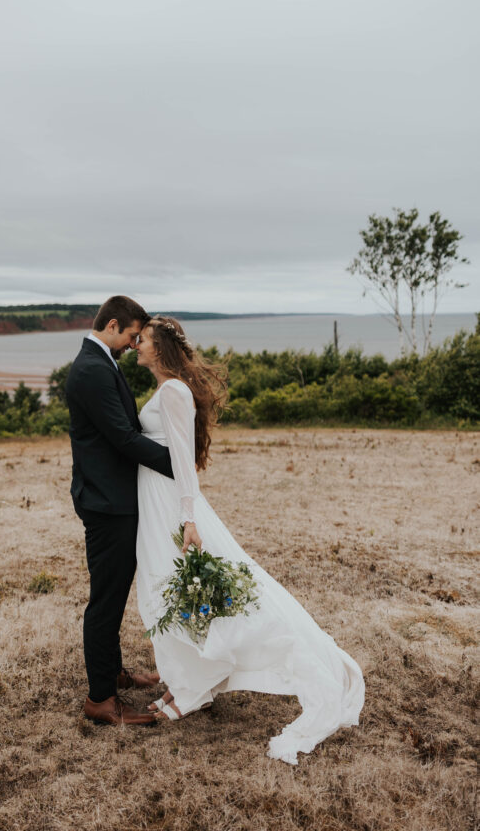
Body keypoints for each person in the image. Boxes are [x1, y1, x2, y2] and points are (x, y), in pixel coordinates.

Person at [134, 316, 365, 765]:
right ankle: (184, 682)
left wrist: (188, 517)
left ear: (159, 346)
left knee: (185, 591)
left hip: (169, 504)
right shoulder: (166, 389)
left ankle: (195, 686)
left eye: (141, 340)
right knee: (168, 591)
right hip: (154, 502)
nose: (135, 346)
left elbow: (183, 460)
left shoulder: (174, 392)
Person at [65, 295, 174, 727]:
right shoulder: (91, 370)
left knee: (113, 594)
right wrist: (177, 465)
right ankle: (100, 700)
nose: (134, 345)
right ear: (112, 325)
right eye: (131, 335)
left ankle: (112, 673)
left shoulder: (101, 362)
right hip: (107, 503)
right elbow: (124, 439)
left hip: (113, 497)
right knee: (106, 602)